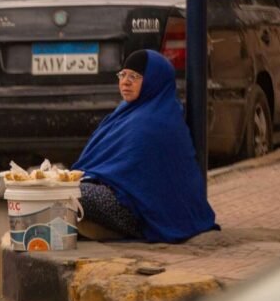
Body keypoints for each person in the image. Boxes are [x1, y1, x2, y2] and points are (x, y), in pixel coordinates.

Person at [72, 49, 218, 243]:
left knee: (72, 194)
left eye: (135, 76)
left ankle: (102, 228)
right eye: (123, 75)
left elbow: (133, 177)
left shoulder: (155, 121)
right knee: (55, 189)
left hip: (141, 212)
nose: (125, 82)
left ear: (154, 80)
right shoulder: (125, 114)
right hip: (117, 194)